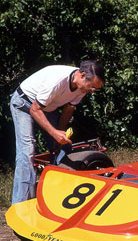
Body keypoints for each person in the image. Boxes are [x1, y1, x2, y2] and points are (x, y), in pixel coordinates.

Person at [9, 60, 105, 204]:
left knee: (63, 146)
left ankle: (55, 197)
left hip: (47, 107)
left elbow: (68, 109)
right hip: (24, 104)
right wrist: (54, 133)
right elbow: (34, 109)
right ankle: (20, 207)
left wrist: (59, 135)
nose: (92, 91)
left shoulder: (82, 87)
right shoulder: (57, 81)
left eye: (95, 89)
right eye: (92, 87)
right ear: (83, 75)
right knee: (26, 153)